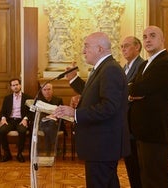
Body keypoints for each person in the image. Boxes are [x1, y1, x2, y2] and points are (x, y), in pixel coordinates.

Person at [53, 32, 130, 188]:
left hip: (103, 146)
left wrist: (74, 113)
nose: (83, 51)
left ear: (100, 48)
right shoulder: (102, 68)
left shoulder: (110, 69)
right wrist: (81, 102)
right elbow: (97, 97)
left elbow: (109, 107)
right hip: (100, 145)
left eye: (86, 46)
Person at [128, 26, 168, 188]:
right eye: (144, 37)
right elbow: (134, 89)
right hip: (142, 132)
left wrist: (133, 91)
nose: (147, 39)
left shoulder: (165, 63)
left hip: (156, 132)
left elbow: (138, 89)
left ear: (162, 40)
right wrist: (133, 91)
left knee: (156, 179)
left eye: (152, 36)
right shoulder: (145, 65)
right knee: (145, 178)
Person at [121, 36, 144, 188]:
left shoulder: (142, 65)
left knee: (137, 165)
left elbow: (136, 91)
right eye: (121, 46)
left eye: (127, 46)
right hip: (125, 123)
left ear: (137, 47)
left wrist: (127, 95)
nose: (123, 49)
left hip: (135, 123)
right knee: (130, 164)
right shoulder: (125, 67)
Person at [0, 78, 32, 163]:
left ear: (20, 85)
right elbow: (3, 111)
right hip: (10, 120)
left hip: (21, 120)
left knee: (22, 130)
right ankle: (7, 154)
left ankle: (19, 154)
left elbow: (31, 112)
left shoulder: (27, 98)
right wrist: (3, 118)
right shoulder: (7, 98)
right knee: (1, 131)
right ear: (11, 87)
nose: (15, 87)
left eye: (17, 85)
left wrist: (25, 119)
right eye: (13, 85)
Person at [38, 83, 66, 156]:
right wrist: (48, 116)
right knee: (49, 125)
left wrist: (54, 116)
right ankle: (55, 145)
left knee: (49, 127)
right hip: (42, 123)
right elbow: (35, 114)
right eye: (45, 90)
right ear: (42, 91)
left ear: (52, 90)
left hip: (55, 123)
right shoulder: (38, 101)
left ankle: (48, 152)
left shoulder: (58, 100)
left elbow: (62, 113)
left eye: (49, 89)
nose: (47, 91)